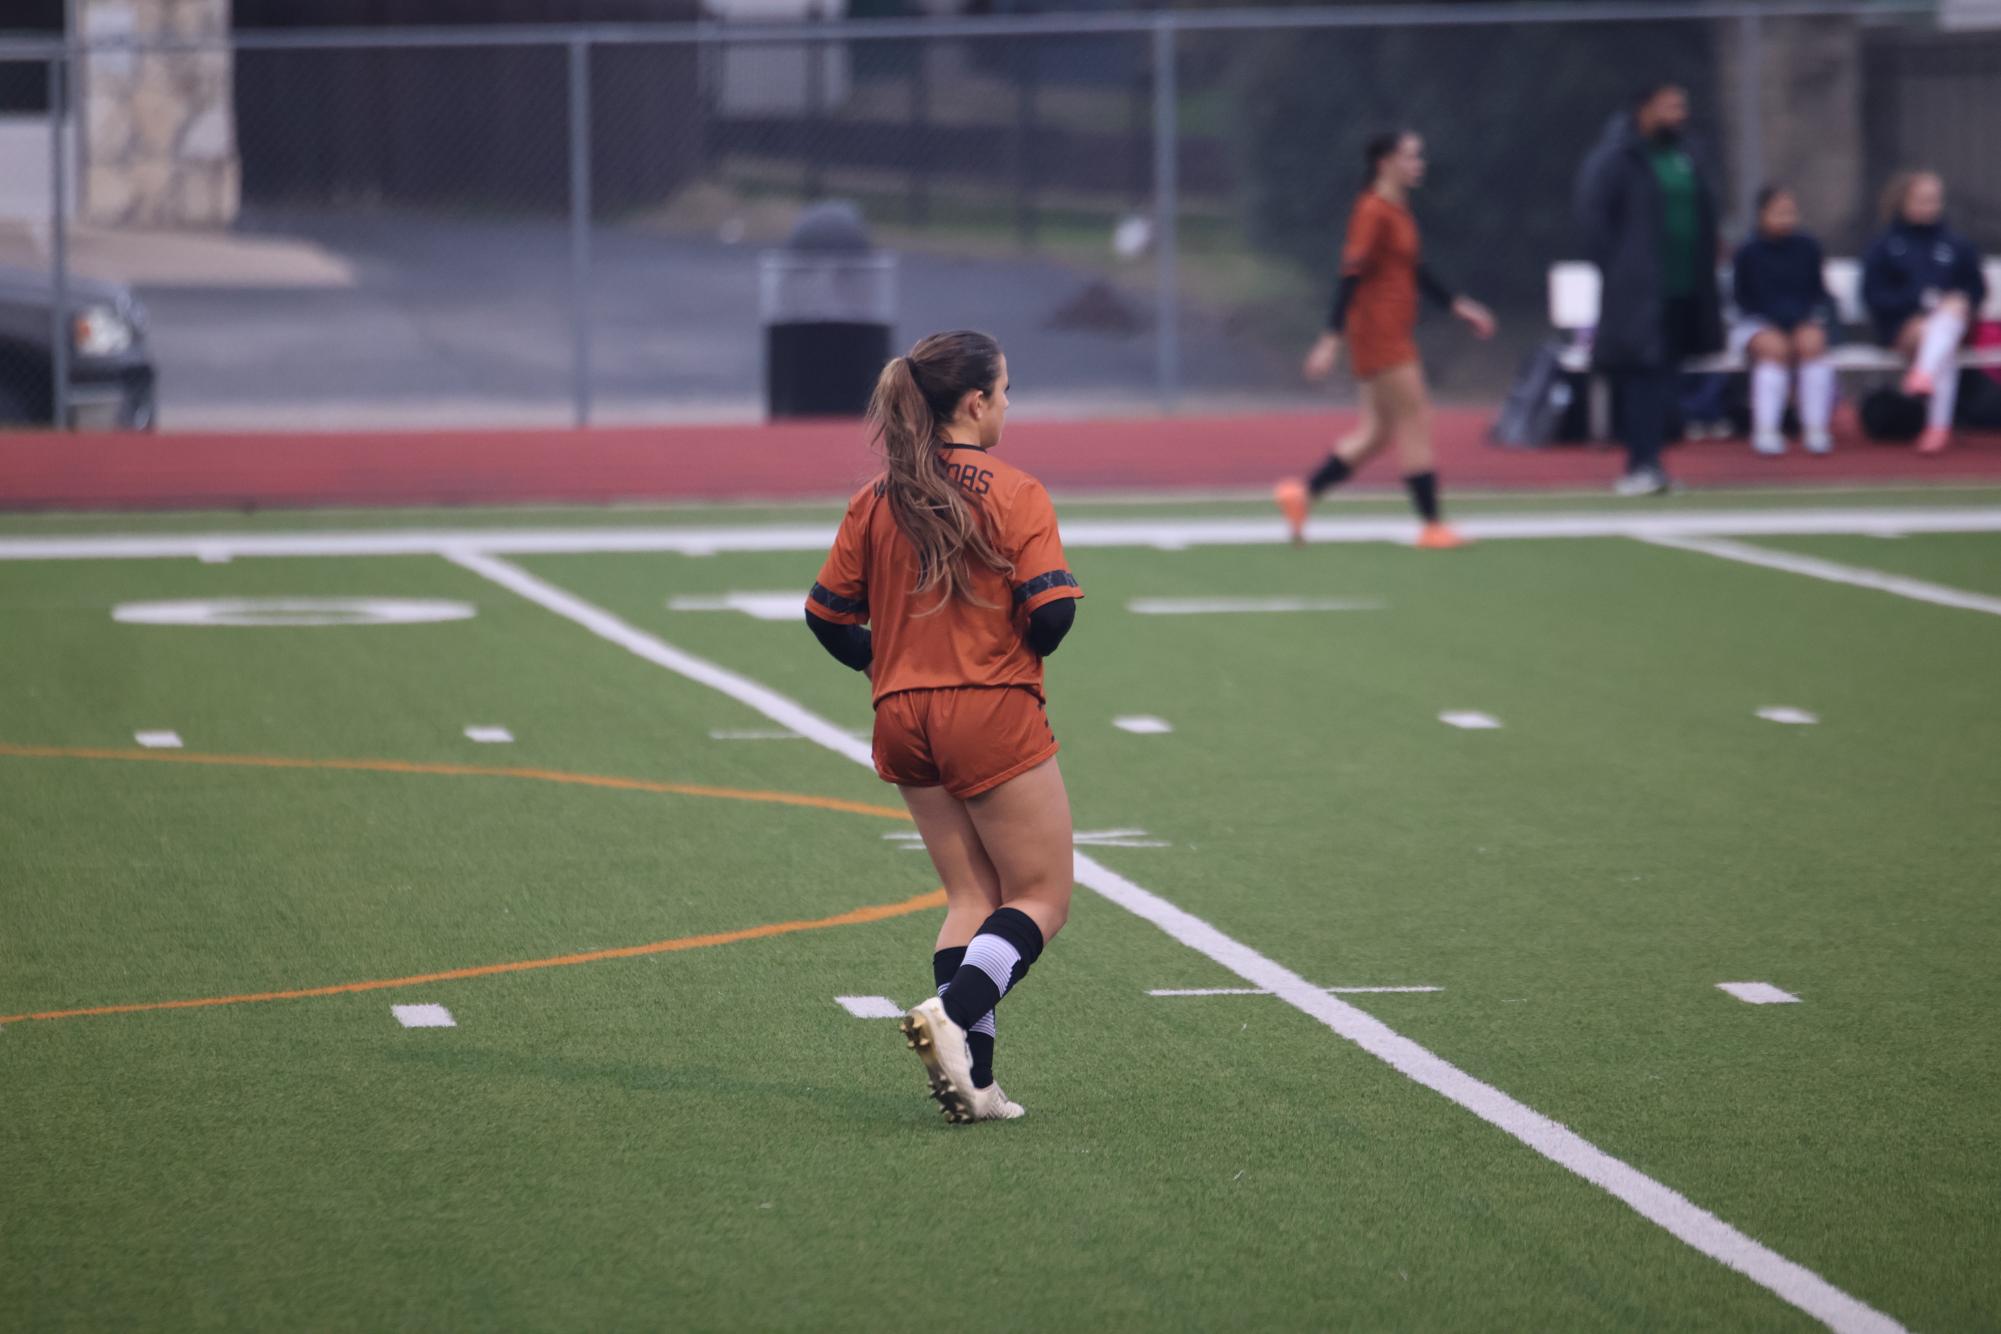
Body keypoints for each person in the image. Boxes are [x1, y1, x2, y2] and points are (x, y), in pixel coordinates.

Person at [803, 330, 1082, 1126]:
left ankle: (978, 1082)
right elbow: (1054, 614)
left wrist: (884, 662)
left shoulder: (877, 497)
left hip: (900, 713)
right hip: (988, 707)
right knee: (1040, 896)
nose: (1007, 405)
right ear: (974, 402)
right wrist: (1002, 652)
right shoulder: (1013, 489)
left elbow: (824, 618)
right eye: (1004, 392)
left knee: (970, 894)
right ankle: (953, 1014)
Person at [1274, 130, 1496, 549]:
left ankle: (1301, 495)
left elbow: (1414, 269)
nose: (1419, 164)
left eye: (1419, 157)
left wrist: (1458, 305)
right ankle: (1431, 524)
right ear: (1385, 163)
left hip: (1390, 330)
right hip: (1380, 334)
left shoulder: (1398, 209)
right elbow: (1350, 276)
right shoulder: (1372, 212)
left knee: (1376, 433)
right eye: (1410, 157)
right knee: (1416, 417)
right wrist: (1329, 338)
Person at [1574, 81, 1725, 495]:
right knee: (1639, 374)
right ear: (1644, 109)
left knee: (1667, 378)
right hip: (1638, 291)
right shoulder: (1616, 158)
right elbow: (1593, 220)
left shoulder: (1685, 155)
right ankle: (1637, 463)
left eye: (1682, 105)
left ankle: (1655, 463)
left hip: (1684, 286)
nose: (1679, 113)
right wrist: (1621, 269)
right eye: (1669, 106)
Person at [1863, 169, 1988, 455]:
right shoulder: (1885, 246)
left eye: (1933, 199)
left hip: (1953, 327)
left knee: (1947, 320)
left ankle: (1923, 375)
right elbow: (1874, 296)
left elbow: (1976, 289)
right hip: (1903, 328)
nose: (1929, 206)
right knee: (1937, 333)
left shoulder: (1956, 245)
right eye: (1921, 199)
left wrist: (1960, 299)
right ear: (1903, 201)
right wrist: (1921, 302)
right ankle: (1937, 425)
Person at [1731, 185, 1837, 456]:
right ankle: (1766, 430)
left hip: (1799, 321)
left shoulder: (1808, 248)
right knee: (1774, 349)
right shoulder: (1748, 252)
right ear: (1762, 214)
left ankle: (1815, 428)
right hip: (1759, 322)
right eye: (1778, 213)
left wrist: (1804, 322)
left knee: (1812, 345)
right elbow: (1743, 300)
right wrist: (1774, 324)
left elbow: (1818, 294)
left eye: (1790, 213)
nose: (1785, 219)